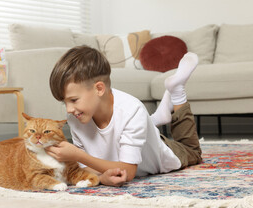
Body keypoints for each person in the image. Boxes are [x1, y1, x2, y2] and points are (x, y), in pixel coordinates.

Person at [46, 46, 202, 187]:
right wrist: (101, 178)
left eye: (73, 100)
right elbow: (84, 168)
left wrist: (78, 155)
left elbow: (128, 170)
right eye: (64, 102)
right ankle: (152, 121)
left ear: (99, 89)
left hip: (161, 152)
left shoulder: (131, 110)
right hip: (131, 133)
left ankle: (177, 92)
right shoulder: (76, 116)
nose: (69, 109)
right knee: (134, 122)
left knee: (193, 151)